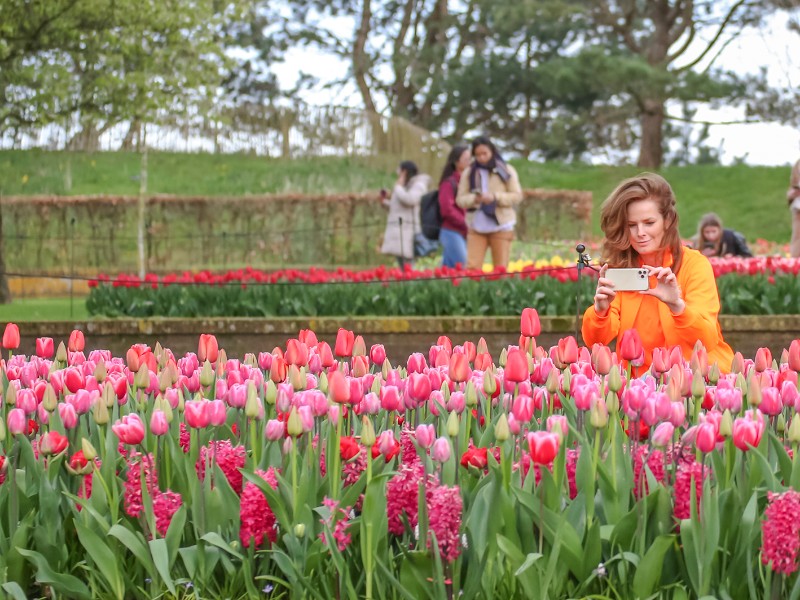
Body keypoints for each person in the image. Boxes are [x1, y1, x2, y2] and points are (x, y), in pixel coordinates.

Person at [582, 173, 734, 375]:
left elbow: (706, 340)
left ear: (668, 220)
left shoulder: (694, 265)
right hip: (639, 383)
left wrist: (677, 306)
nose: (640, 233)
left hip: (698, 378)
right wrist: (601, 311)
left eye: (649, 222)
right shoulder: (621, 269)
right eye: (631, 225)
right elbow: (595, 341)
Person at [456, 136, 523, 270]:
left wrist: (495, 197)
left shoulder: (506, 169)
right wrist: (475, 199)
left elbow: (517, 196)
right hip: (476, 226)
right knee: (472, 267)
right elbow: (460, 199)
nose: (481, 157)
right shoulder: (469, 172)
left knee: (500, 268)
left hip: (501, 225)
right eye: (477, 155)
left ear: (492, 151)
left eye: (484, 153)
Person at [380, 160, 431, 268]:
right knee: (402, 264)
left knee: (408, 265)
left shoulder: (418, 185)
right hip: (399, 231)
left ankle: (412, 279)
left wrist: (398, 187)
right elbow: (398, 207)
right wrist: (384, 202)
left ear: (404, 172)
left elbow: (410, 199)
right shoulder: (405, 186)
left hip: (408, 231)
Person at [437, 144, 471, 268]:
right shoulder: (449, 183)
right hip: (451, 230)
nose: (469, 162)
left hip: (464, 231)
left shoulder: (468, 182)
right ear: (456, 161)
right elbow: (446, 209)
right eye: (466, 159)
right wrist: (464, 222)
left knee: (449, 267)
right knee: (462, 264)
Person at [788, 158, 800, 258]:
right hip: (798, 205)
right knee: (797, 236)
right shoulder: (797, 164)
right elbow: (793, 184)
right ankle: (795, 261)